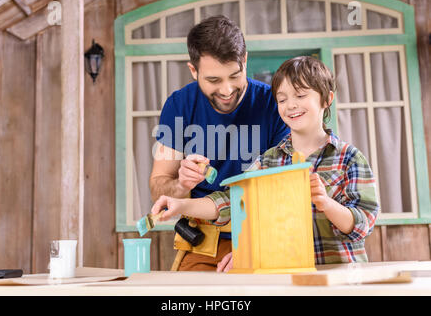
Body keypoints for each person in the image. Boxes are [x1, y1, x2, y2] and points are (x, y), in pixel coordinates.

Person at [151, 56, 379, 272]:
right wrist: (180, 205)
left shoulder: (350, 158)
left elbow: (363, 223)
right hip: (286, 276)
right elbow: (229, 201)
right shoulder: (269, 160)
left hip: (340, 277)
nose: (290, 105)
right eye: (282, 99)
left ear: (326, 99)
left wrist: (326, 204)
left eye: (300, 96)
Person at [149, 15, 289, 271]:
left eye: (235, 76)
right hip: (202, 244)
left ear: (245, 61)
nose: (226, 90)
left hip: (264, 239)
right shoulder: (178, 106)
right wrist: (181, 184)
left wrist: (253, 245)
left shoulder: (274, 104)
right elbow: (158, 188)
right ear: (194, 71)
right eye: (214, 80)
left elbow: (286, 190)